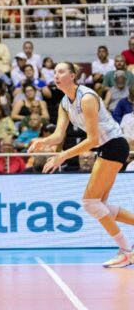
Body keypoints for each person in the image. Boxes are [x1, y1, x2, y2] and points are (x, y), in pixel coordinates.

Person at [29, 62, 134, 268]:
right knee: (100, 205)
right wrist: (44, 141)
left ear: (73, 76)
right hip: (106, 147)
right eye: (54, 72)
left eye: (61, 71)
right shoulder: (64, 103)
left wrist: (63, 156)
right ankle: (126, 251)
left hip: (114, 145)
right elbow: (59, 135)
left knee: (89, 203)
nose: (56, 75)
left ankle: (126, 251)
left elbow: (92, 139)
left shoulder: (86, 98)